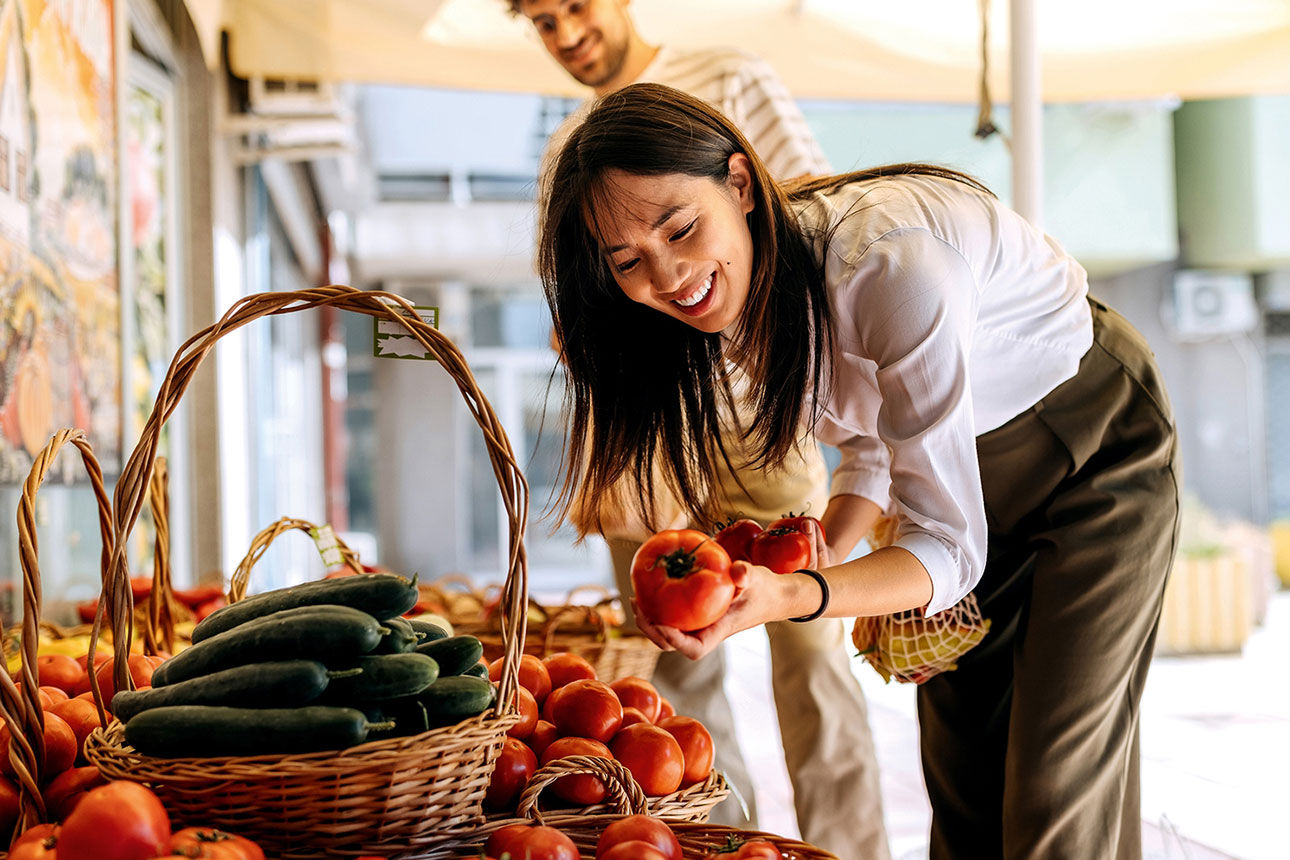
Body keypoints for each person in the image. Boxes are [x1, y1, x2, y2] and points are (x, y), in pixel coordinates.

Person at [539, 82, 1181, 860]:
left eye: (679, 228)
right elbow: (879, 437)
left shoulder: (889, 265)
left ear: (739, 184)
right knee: (962, 777)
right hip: (964, 473)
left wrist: (792, 595)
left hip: (1090, 446)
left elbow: (948, 546)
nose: (668, 276)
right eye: (628, 261)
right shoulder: (731, 299)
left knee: (1054, 787)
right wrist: (829, 538)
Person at [508, 2, 890, 856]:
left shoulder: (727, 78)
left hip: (765, 418)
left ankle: (853, 852)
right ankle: (726, 848)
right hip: (647, 439)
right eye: (540, 21)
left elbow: (815, 212)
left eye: (573, 6)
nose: (566, 33)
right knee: (681, 672)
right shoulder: (563, 154)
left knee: (813, 655)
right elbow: (583, 317)